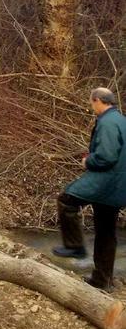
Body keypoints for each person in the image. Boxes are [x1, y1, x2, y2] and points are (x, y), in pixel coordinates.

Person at [52, 87, 126, 291]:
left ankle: (74, 247)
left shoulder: (108, 122)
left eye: (91, 102)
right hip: (120, 185)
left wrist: (88, 161)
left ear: (97, 101)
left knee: (66, 199)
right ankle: (103, 281)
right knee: (105, 231)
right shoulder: (121, 120)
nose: (91, 106)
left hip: (106, 181)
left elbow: (107, 156)